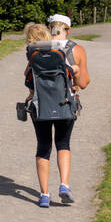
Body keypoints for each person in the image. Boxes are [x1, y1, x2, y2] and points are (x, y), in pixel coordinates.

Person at [26, 14, 89, 208]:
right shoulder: (76, 50)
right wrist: (75, 76)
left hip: (41, 106)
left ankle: (44, 194)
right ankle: (64, 185)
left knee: (43, 147)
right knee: (63, 144)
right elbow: (84, 84)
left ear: (50, 28)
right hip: (64, 105)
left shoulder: (36, 50)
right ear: (68, 30)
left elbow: (28, 77)